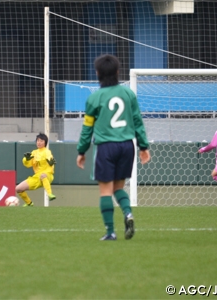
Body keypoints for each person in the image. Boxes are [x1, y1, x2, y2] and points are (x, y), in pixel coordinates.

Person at [76, 54, 151, 241]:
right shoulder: (128, 94)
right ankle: (127, 213)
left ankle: (110, 232)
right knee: (119, 188)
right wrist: (143, 146)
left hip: (106, 147)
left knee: (105, 191)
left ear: (98, 73)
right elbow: (137, 122)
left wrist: (81, 151)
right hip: (127, 146)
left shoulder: (94, 98)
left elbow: (87, 128)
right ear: (118, 72)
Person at [16, 133, 56, 207]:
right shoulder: (34, 152)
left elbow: (49, 158)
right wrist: (26, 159)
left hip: (48, 175)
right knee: (18, 188)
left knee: (43, 175)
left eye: (41, 141)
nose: (39, 142)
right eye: (37, 140)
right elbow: (27, 164)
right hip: (37, 177)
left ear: (45, 142)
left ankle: (50, 194)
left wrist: (50, 162)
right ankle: (29, 203)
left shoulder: (47, 151)